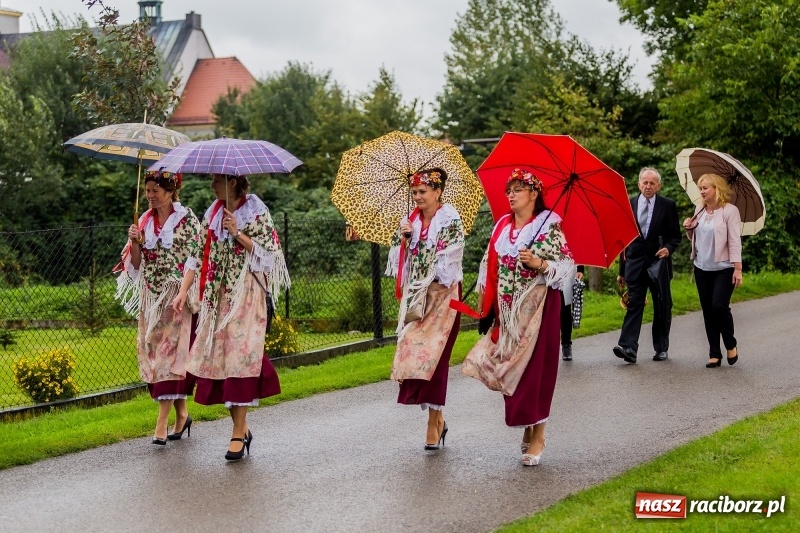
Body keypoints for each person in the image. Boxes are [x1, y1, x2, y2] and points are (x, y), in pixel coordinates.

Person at [172, 174, 289, 460]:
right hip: (218, 298)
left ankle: (237, 433)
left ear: (232, 183)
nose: (212, 186)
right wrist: (182, 291)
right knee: (220, 362)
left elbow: (272, 257)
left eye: (216, 181)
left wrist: (237, 233)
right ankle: (242, 426)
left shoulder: (257, 212)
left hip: (246, 295)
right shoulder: (212, 214)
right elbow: (196, 257)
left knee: (240, 358)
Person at [462, 168, 575, 466]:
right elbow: (490, 261)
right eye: (508, 190)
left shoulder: (549, 225)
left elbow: (566, 265)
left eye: (517, 189)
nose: (510, 195)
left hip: (539, 308)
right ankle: (529, 421)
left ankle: (539, 433)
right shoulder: (502, 225)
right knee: (510, 370)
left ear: (533, 193)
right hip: (507, 311)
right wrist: (485, 301)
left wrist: (539, 263)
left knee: (536, 371)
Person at [115, 170, 201, 445]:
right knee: (155, 359)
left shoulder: (187, 220)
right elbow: (138, 264)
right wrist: (135, 242)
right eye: (148, 191)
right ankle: (183, 413)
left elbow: (196, 259)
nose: (150, 196)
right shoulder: (143, 221)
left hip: (177, 297)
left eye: (156, 191)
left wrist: (184, 290)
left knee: (169, 361)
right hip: (151, 299)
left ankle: (161, 423)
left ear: (171, 191)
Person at [385, 168, 464, 451]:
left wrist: (417, 243)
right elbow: (397, 262)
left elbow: (447, 263)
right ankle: (439, 419)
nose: (417, 197)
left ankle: (433, 422)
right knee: (412, 350)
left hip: (443, 296)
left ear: (438, 192)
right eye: (414, 192)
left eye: (423, 192)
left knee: (436, 360)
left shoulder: (450, 219)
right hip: (417, 297)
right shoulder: (410, 221)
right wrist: (405, 238)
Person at [614, 167, 681, 364]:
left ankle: (661, 348)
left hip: (658, 264)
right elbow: (623, 240)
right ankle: (628, 347)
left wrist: (668, 248)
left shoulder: (667, 205)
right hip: (634, 263)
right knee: (634, 303)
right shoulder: (629, 204)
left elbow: (675, 236)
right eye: (645, 182)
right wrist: (622, 271)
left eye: (652, 183)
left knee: (662, 306)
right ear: (639, 184)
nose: (648, 186)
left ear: (658, 185)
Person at [683, 173, 743, 368]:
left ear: (717, 189)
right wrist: (689, 228)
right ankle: (714, 353)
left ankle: (730, 343)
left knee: (719, 306)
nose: (701, 191)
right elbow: (694, 238)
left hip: (724, 268)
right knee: (708, 310)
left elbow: (735, 241)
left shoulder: (730, 211)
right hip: (702, 267)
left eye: (705, 188)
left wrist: (737, 269)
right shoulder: (699, 209)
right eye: (700, 188)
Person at [560, 265, 584, 361]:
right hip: (546, 267)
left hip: (567, 267)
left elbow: (579, 250)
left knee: (565, 307)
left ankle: (566, 344)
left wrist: (580, 269)